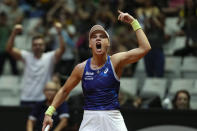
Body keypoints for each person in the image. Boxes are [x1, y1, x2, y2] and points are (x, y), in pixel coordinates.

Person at [42, 10, 151, 131]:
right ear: (90, 44)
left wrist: (133, 22)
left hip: (112, 117)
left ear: (108, 43)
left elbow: (145, 48)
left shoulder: (116, 61)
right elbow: (64, 90)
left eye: (102, 37)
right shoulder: (81, 68)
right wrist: (49, 112)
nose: (98, 39)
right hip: (90, 118)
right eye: (94, 37)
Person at [6, 22, 66, 108]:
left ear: (44, 46)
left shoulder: (49, 57)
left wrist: (59, 33)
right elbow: (9, 49)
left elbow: (62, 49)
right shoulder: (26, 56)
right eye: (35, 45)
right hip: (26, 98)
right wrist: (14, 33)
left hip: (43, 99)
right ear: (31, 46)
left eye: (40, 44)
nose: (37, 46)